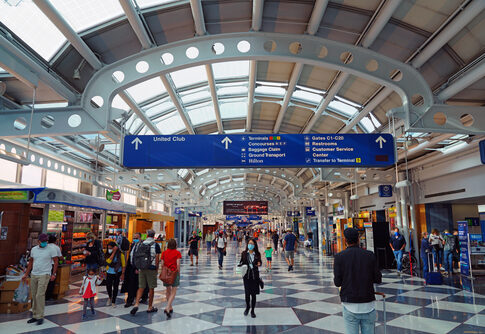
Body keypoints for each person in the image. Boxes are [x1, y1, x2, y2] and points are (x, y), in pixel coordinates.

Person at [334, 228, 382, 334]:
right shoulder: (370, 255)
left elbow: (337, 282)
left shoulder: (339, 257)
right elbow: (378, 279)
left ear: (345, 240)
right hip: (368, 303)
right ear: (358, 239)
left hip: (349, 303)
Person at [22, 233, 58, 326]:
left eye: (46, 241)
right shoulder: (34, 250)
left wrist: (54, 273)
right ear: (38, 241)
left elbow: (56, 261)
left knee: (40, 295)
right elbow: (31, 262)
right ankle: (34, 315)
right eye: (42, 241)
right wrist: (26, 274)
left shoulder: (51, 250)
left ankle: (40, 316)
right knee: (33, 295)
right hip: (34, 274)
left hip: (45, 274)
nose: (44, 243)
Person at [131, 229, 161, 315]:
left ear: (147, 235)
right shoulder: (156, 245)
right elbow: (157, 258)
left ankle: (136, 304)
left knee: (141, 287)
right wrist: (157, 268)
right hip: (151, 268)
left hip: (142, 268)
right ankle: (150, 307)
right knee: (151, 288)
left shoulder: (142, 243)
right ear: (154, 235)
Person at [121, 233, 148, 308]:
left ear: (140, 238)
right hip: (131, 268)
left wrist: (139, 268)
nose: (134, 239)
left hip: (138, 268)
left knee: (138, 284)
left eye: (136, 238)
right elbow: (131, 256)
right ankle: (130, 300)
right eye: (134, 238)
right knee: (131, 284)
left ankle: (140, 297)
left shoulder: (143, 246)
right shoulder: (133, 245)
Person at [239, 238, 262, 318]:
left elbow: (260, 262)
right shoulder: (244, 253)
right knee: (247, 294)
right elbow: (241, 262)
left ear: (254, 245)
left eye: (252, 244)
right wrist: (241, 266)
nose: (250, 245)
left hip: (255, 276)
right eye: (249, 244)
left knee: (253, 294)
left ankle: (252, 310)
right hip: (246, 276)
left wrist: (259, 264)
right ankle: (247, 307)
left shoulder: (257, 254)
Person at [159, 238, 181, 318]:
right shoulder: (177, 253)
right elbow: (178, 264)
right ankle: (168, 307)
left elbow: (162, 264)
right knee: (174, 290)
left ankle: (170, 306)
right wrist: (179, 272)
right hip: (174, 272)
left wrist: (164, 270)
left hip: (166, 273)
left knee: (168, 290)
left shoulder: (164, 253)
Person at [104, 241, 126, 307]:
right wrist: (113, 253)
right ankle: (110, 297)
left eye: (111, 248)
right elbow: (108, 261)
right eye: (109, 248)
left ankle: (113, 301)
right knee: (108, 286)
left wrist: (123, 274)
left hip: (117, 272)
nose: (109, 249)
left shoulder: (120, 254)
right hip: (109, 272)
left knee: (115, 286)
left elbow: (123, 265)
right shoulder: (107, 253)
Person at [45, 234, 62, 300]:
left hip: (45, 265)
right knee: (51, 282)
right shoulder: (56, 247)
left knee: (44, 281)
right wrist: (64, 260)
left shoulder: (45, 246)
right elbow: (60, 257)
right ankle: (48, 296)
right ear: (55, 241)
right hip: (52, 265)